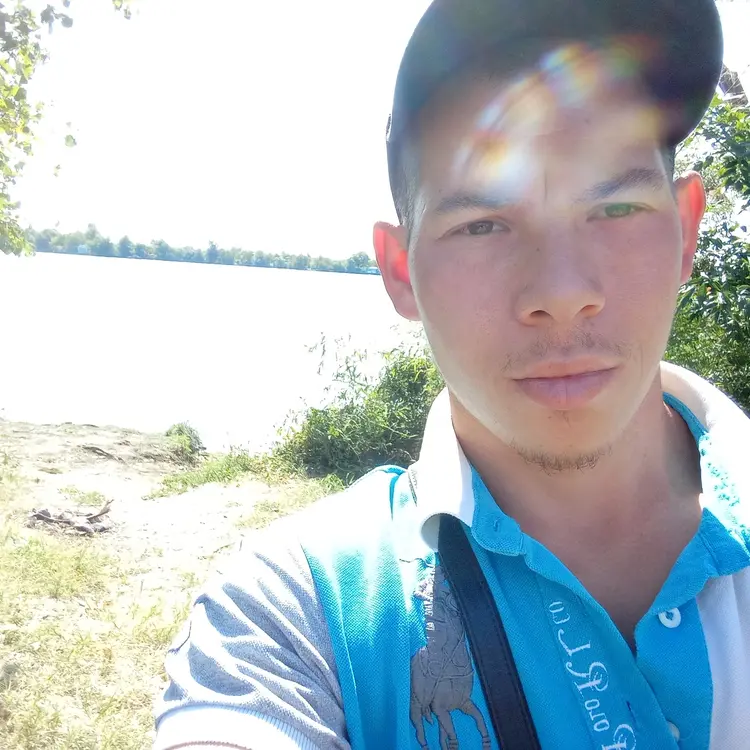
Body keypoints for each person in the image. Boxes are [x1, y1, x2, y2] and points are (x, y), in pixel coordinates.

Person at [153, 0, 750, 748]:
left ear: (686, 230)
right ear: (401, 272)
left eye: (616, 208)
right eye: (482, 226)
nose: (562, 293)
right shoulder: (295, 612)